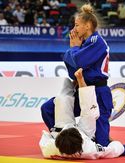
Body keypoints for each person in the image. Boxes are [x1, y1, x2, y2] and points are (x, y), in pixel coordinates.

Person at [39, 68, 125, 159]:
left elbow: (46, 136)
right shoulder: (89, 150)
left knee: (62, 100)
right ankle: (80, 81)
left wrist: (55, 135)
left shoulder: (49, 148)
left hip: (61, 132)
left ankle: (73, 82)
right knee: (89, 112)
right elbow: (114, 149)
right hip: (85, 134)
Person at [41, 3, 113, 147]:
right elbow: (72, 72)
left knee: (101, 144)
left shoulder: (96, 41)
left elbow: (78, 60)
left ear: (87, 26)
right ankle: (65, 141)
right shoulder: (82, 45)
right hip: (81, 91)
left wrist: (72, 49)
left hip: (97, 94)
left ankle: (124, 148)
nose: (74, 29)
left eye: (77, 25)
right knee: (48, 109)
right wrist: (73, 51)